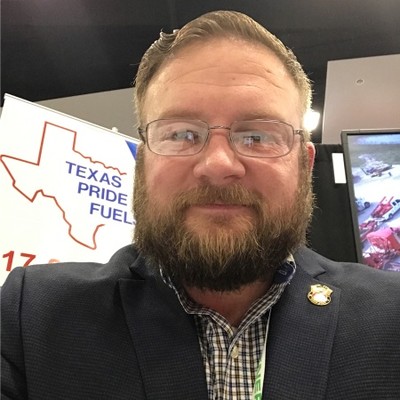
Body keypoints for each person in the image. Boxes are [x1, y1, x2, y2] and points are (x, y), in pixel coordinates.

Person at [2, 10, 400, 400]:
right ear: (142, 164)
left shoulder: (391, 317)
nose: (218, 165)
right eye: (181, 134)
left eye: (257, 137)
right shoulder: (32, 316)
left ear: (304, 165)